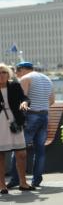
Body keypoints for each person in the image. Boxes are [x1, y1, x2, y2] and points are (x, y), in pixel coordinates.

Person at [8, 61, 55, 188]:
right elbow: (52, 100)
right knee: (40, 150)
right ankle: (37, 179)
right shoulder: (47, 79)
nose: (16, 74)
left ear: (22, 69)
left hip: (30, 116)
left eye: (17, 71)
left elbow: (21, 100)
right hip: (44, 115)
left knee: (19, 148)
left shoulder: (26, 78)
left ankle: (15, 179)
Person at [0, 64, 34, 194]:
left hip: (15, 121)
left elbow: (24, 98)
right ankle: (2, 185)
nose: (1, 75)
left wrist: (24, 103)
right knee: (0, 155)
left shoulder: (14, 85)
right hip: (0, 123)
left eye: (4, 72)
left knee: (22, 154)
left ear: (8, 74)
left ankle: (23, 183)